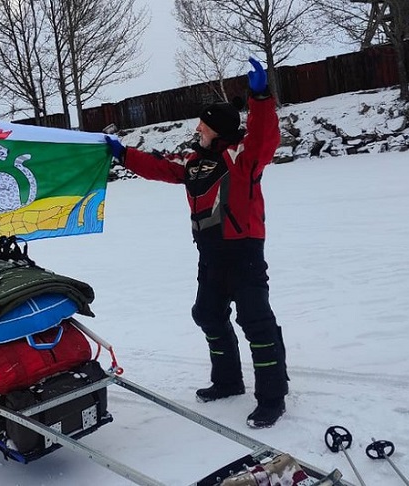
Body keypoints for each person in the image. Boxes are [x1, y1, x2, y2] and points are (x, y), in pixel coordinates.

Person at [105, 58, 288, 428]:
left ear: (218, 130)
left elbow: (266, 135)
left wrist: (260, 96)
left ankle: (272, 398)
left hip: (244, 254)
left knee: (256, 321)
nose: (197, 130)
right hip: (211, 255)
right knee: (207, 314)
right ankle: (227, 381)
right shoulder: (193, 162)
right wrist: (123, 154)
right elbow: (160, 168)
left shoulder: (244, 157)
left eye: (202, 126)